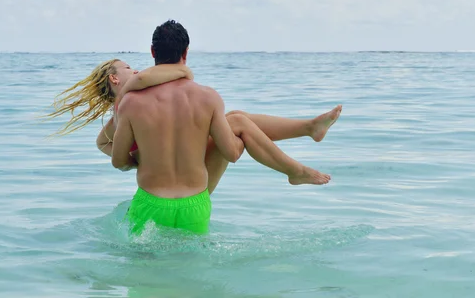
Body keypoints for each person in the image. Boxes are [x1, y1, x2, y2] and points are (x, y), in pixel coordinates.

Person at [47, 20, 341, 235]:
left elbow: (116, 159)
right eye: (127, 68)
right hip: (195, 203)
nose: (134, 71)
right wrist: (230, 138)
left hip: (151, 203)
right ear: (186, 52)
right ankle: (300, 152)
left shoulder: (130, 105)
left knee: (145, 280)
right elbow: (232, 154)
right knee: (237, 121)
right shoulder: (207, 96)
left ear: (152, 52)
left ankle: (305, 137)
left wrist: (140, 161)